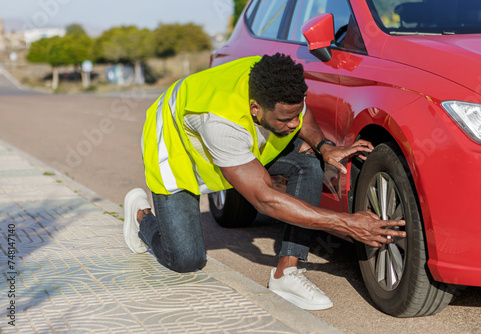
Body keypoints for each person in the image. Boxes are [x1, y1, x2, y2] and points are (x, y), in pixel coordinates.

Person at [123, 53, 405, 311]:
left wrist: (323, 146)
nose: (294, 125)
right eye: (285, 118)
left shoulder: (277, 80)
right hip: (176, 150)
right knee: (186, 260)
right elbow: (263, 198)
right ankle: (142, 217)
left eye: (296, 114)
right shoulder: (220, 124)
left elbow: (302, 115)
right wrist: (347, 223)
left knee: (307, 164)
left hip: (235, 145)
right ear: (256, 109)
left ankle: (286, 274)